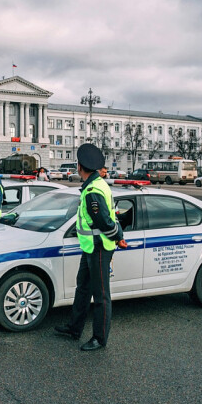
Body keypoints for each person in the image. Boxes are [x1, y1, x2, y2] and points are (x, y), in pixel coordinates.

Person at [54, 143, 127, 352]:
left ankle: (99, 338)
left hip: (100, 248)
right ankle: (74, 328)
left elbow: (104, 221)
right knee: (83, 288)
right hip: (90, 247)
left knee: (101, 294)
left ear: (79, 167)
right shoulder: (96, 185)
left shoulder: (92, 191)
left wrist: (117, 238)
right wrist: (118, 236)